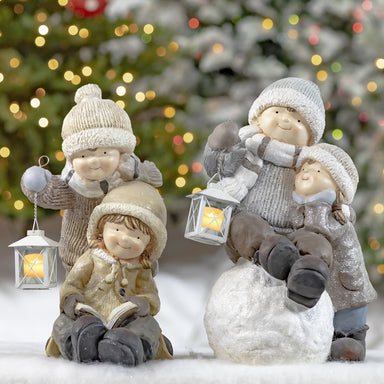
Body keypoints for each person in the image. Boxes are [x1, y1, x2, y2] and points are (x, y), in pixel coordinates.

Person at [204, 77, 329, 306]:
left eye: (299, 119)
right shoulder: (247, 148)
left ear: (311, 136)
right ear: (259, 116)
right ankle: (273, 257)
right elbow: (219, 169)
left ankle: (309, 273)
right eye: (279, 112)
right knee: (246, 224)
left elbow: (328, 193)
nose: (287, 122)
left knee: (314, 241)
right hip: (251, 230)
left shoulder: (310, 164)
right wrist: (218, 146)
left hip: (293, 231)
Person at [21, 84, 162, 272]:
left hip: (124, 257)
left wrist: (147, 251)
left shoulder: (128, 180)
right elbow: (52, 194)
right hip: (79, 257)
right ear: (72, 158)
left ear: (120, 153)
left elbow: (149, 200)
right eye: (83, 155)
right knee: (81, 292)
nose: (94, 162)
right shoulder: (73, 185)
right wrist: (39, 184)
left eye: (105, 152)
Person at [45, 181, 172, 366]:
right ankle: (77, 344)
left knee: (149, 326)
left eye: (137, 236)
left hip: (125, 324)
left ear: (149, 244)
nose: (124, 239)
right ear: (101, 228)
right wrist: (72, 299)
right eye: (117, 229)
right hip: (86, 319)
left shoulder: (141, 269)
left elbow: (151, 295)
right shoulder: (91, 258)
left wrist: (143, 303)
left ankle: (129, 347)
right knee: (61, 323)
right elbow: (73, 283)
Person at [287, 143, 376, 361]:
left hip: (344, 287)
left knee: (346, 320)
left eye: (317, 171)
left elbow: (317, 234)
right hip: (321, 285)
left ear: (338, 189)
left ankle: (350, 341)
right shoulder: (302, 209)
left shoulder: (332, 215)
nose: (307, 175)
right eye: (303, 170)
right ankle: (320, 341)